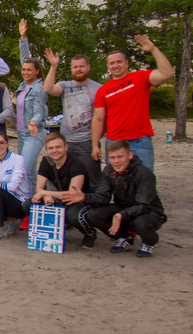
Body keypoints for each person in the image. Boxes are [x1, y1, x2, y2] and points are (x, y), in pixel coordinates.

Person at [91, 36, 174, 171]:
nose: (116, 65)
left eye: (119, 62)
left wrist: (153, 49)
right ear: (107, 66)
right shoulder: (102, 90)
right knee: (117, 182)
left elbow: (167, 73)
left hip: (140, 141)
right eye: (112, 63)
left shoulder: (140, 78)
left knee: (145, 179)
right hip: (114, 142)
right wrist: (95, 145)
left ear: (126, 63)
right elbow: (98, 119)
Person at [81, 140, 167, 257]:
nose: (116, 161)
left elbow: (144, 204)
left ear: (130, 155)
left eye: (120, 157)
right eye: (112, 158)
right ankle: (125, 237)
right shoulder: (109, 170)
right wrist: (83, 197)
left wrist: (121, 215)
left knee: (140, 223)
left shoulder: (144, 173)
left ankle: (149, 242)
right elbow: (103, 197)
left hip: (149, 211)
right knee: (93, 214)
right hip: (123, 207)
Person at [43, 48, 103, 187]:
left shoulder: (98, 89)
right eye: (75, 67)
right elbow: (48, 89)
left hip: (87, 142)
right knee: (69, 178)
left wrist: (95, 145)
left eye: (81, 66)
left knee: (92, 179)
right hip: (67, 141)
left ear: (88, 67)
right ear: (71, 69)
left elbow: (101, 119)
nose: (78, 69)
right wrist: (53, 66)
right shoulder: (65, 86)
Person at [29, 132, 96, 249]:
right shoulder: (46, 161)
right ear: (46, 149)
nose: (54, 150)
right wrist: (45, 197)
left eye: (58, 147)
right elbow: (39, 188)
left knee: (73, 216)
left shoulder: (76, 164)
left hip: (77, 201)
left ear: (66, 147)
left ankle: (90, 233)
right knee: (28, 205)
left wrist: (45, 193)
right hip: (57, 198)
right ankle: (57, 229)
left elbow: (72, 195)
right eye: (51, 148)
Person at [16, 19, 49, 196]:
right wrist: (23, 38)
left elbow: (39, 111)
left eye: (30, 70)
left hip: (33, 134)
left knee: (25, 171)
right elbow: (25, 58)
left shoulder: (39, 88)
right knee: (29, 172)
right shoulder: (24, 84)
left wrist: (33, 122)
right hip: (21, 134)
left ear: (37, 71)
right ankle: (34, 201)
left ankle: (26, 203)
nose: (26, 72)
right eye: (24, 70)